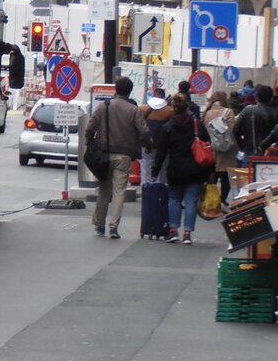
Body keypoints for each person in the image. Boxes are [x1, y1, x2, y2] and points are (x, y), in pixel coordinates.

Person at [85, 76, 152, 239]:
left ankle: (99, 224)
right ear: (130, 91)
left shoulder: (104, 106)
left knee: (103, 190)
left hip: (103, 155)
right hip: (123, 156)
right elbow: (143, 131)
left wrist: (90, 142)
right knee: (119, 191)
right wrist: (149, 144)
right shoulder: (133, 110)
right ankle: (113, 227)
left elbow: (90, 127)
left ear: (116, 89)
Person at [150, 93, 212, 244]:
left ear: (173, 108)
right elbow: (208, 146)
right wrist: (211, 171)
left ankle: (173, 231)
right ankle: (187, 234)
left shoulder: (168, 127)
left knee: (174, 199)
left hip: (175, 169)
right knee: (191, 201)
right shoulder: (197, 125)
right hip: (195, 169)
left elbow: (161, 152)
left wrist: (155, 172)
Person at [203, 90, 236, 206]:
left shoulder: (206, 113)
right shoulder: (228, 112)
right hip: (227, 150)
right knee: (226, 177)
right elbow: (232, 130)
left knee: (212, 175)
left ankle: (211, 199)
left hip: (211, 148)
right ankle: (222, 199)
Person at [233, 83, 276, 164]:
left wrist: (242, 146)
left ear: (257, 97)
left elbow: (235, 129)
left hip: (250, 151)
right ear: (271, 98)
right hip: (270, 153)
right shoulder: (274, 112)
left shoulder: (248, 110)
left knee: (247, 175)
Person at [139, 92, 173, 185]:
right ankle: (161, 186)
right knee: (162, 164)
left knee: (145, 164)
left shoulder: (143, 109)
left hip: (146, 142)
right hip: (163, 142)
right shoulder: (169, 110)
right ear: (163, 97)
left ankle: (145, 186)